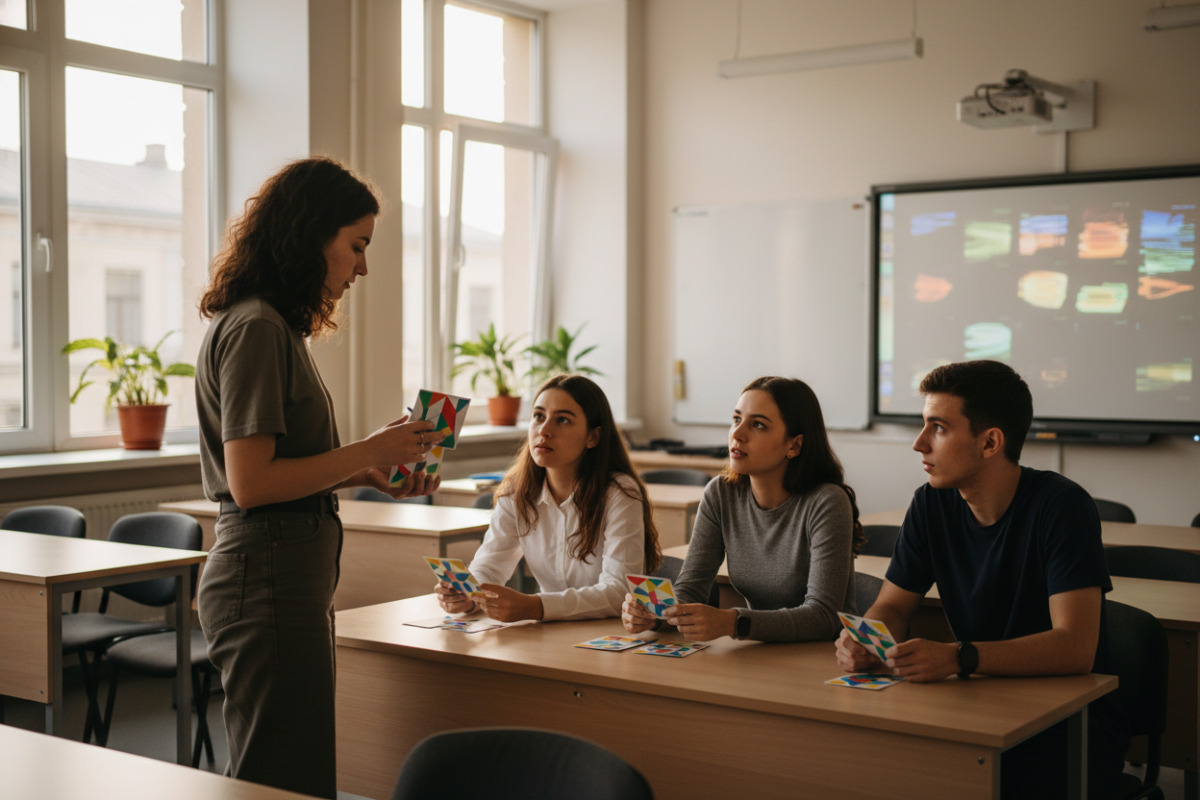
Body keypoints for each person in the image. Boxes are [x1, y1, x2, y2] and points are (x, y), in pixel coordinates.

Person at [194, 157, 444, 799]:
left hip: (281, 573)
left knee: (287, 767)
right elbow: (253, 485)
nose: (362, 267)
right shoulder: (256, 329)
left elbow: (286, 473)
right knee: (281, 778)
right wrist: (365, 450)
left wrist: (370, 463)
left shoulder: (272, 326)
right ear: (311, 236)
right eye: (356, 246)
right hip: (266, 574)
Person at [834, 360, 1129, 799]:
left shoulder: (1062, 507)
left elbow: (1075, 646)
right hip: (976, 702)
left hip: (1067, 725)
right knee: (868, 762)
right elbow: (894, 605)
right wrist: (869, 641)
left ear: (990, 442)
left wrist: (958, 658)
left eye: (938, 428)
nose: (919, 445)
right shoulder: (930, 504)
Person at [622, 376, 861, 642]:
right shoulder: (720, 493)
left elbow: (824, 616)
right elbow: (690, 590)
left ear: (794, 445)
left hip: (821, 658)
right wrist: (654, 615)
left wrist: (734, 623)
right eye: (737, 419)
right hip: (758, 652)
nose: (737, 434)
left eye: (758, 425)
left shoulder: (827, 502)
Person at [436, 373, 661, 622]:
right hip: (548, 631)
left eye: (562, 420)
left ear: (592, 437)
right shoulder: (516, 489)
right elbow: (490, 565)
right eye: (539, 416)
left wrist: (536, 606)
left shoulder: (619, 493)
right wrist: (468, 595)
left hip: (607, 633)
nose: (544, 430)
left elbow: (619, 591)